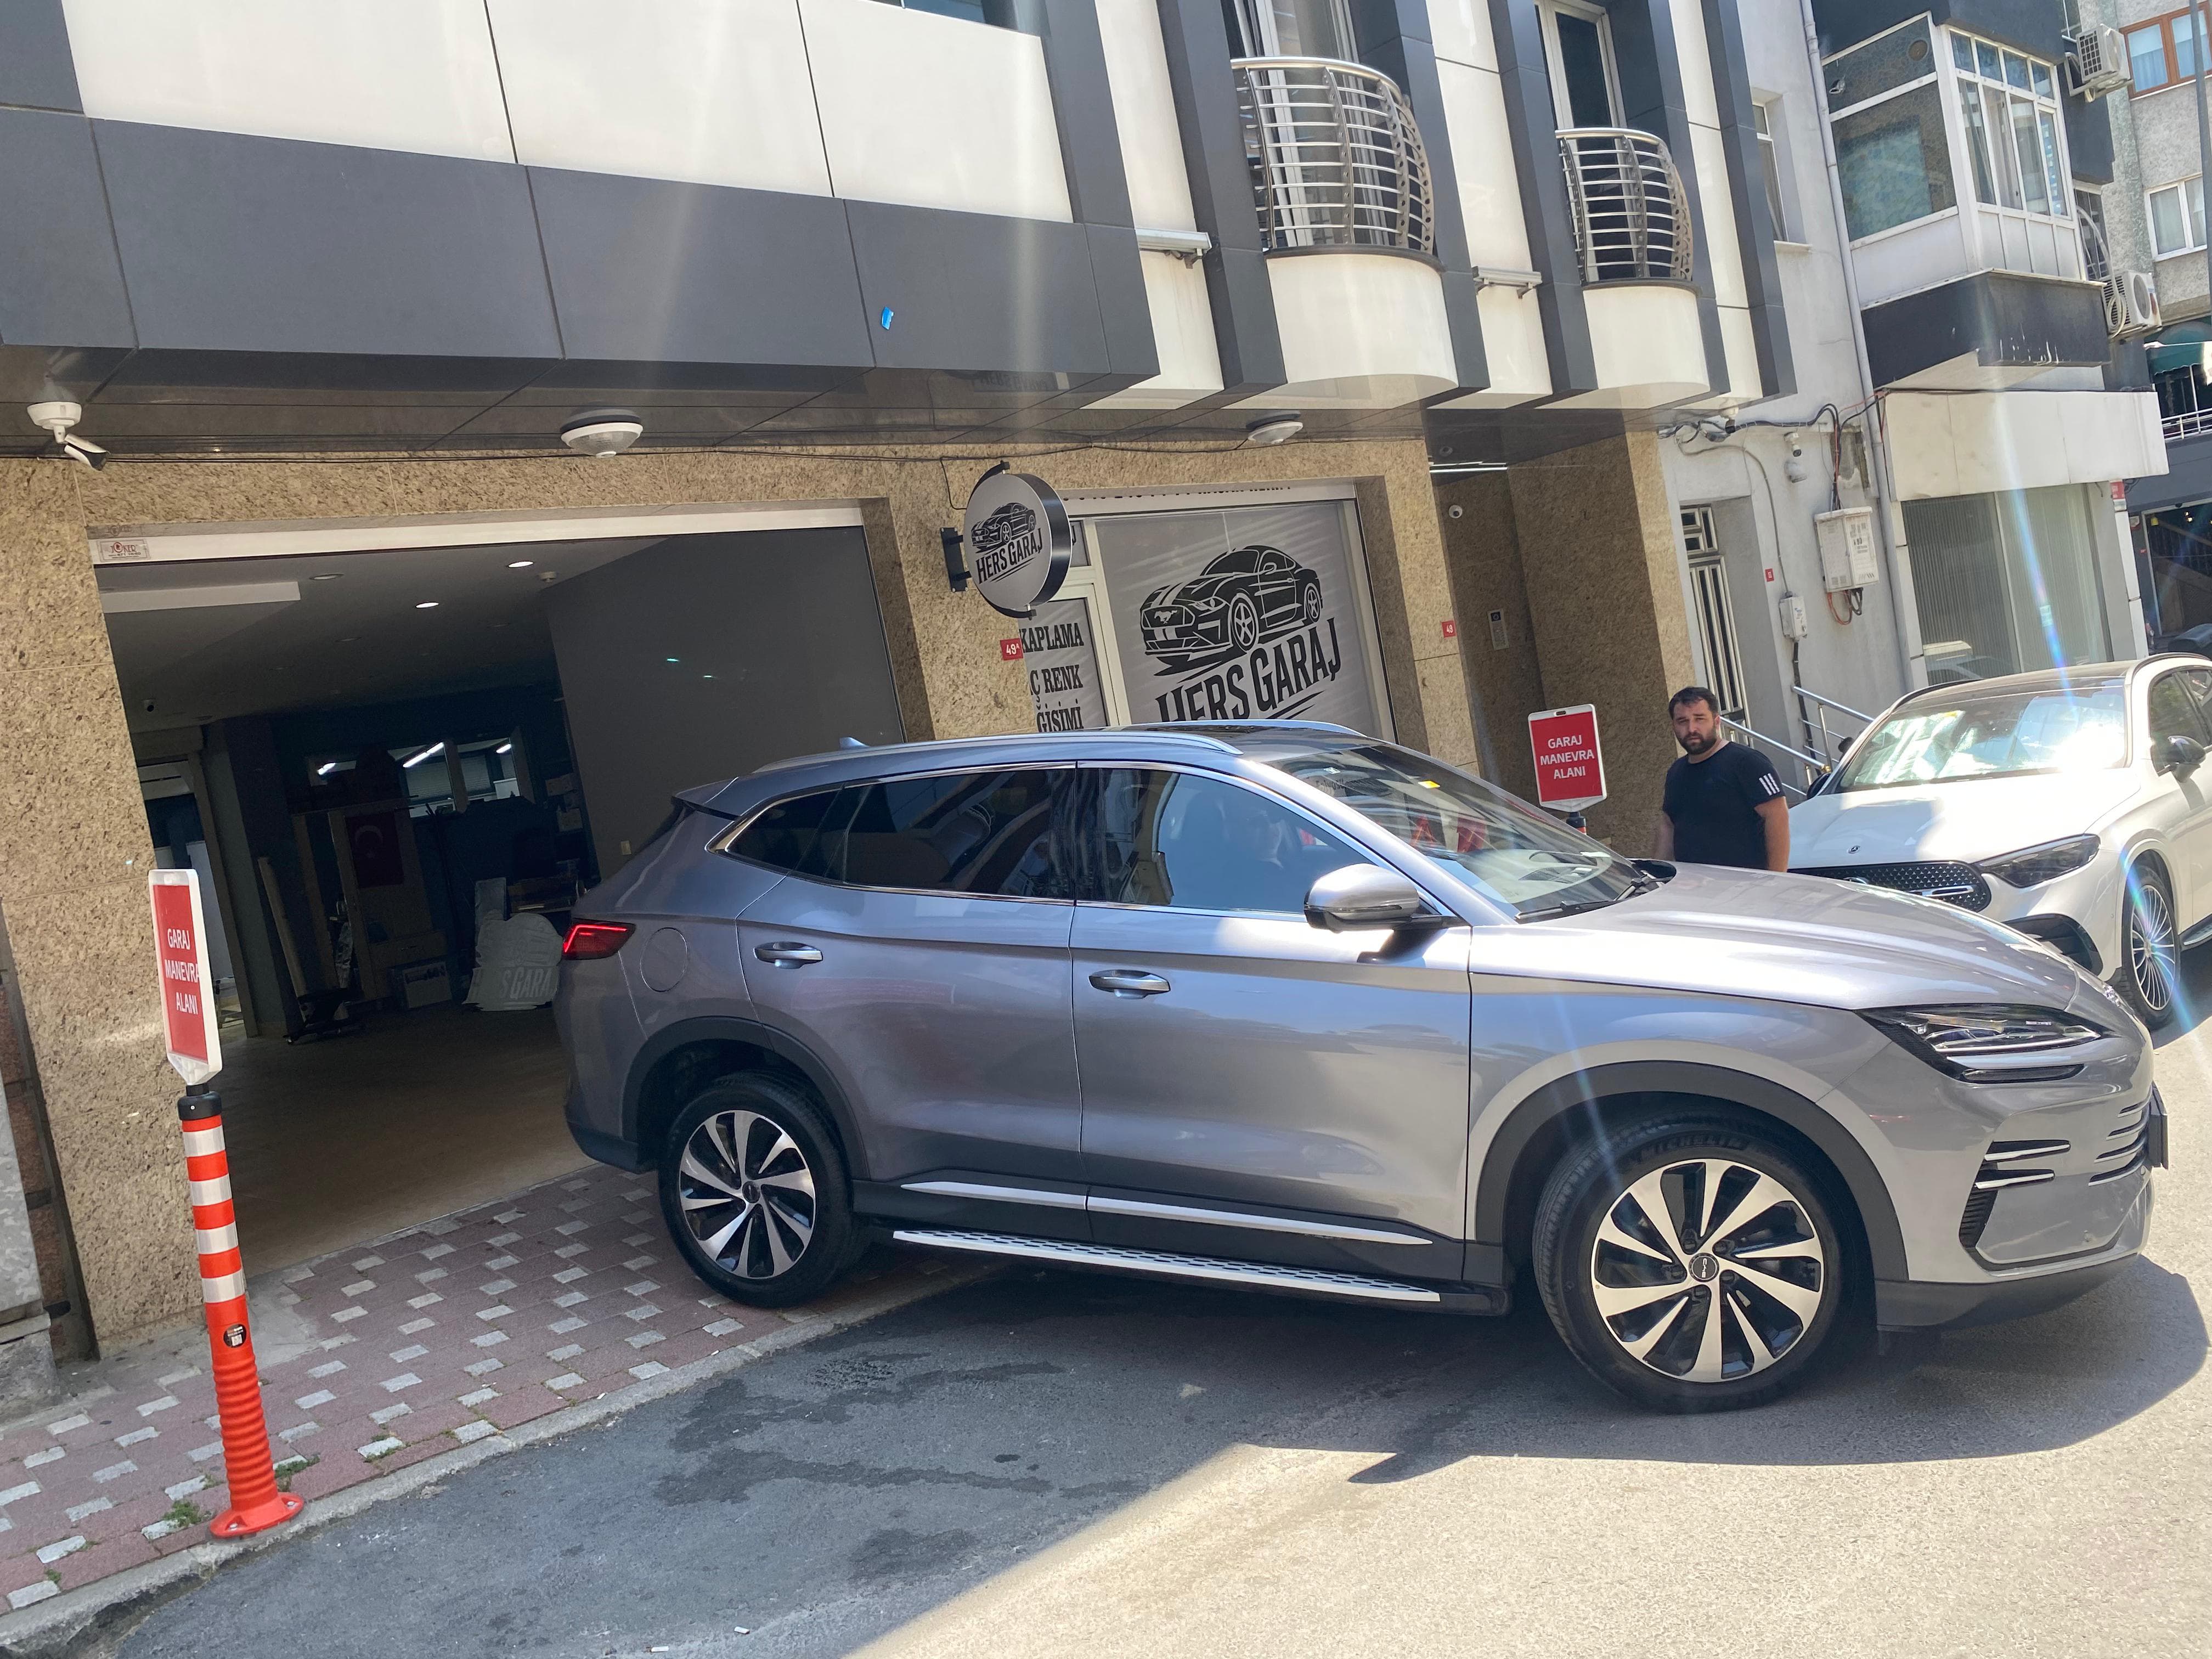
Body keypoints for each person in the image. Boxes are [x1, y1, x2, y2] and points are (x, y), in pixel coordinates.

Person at [1655, 686, 1790, 871]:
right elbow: (1668, 825)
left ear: (1716, 721)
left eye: (1700, 719)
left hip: (1745, 884)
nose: (1691, 729)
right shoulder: (1676, 772)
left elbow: (1777, 816)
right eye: (1682, 721)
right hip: (1692, 884)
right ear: (1673, 726)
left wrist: (1777, 878)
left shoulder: (1748, 762)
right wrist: (1657, 876)